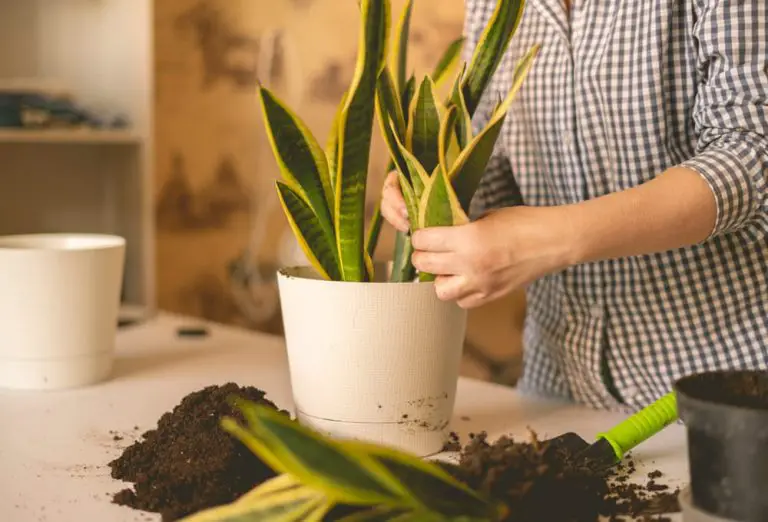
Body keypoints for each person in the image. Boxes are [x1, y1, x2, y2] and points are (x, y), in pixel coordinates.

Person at [380, 0, 768, 411]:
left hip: (726, 389)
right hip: (557, 385)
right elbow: (496, 161)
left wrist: (548, 241)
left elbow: (751, 154)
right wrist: (436, 194)